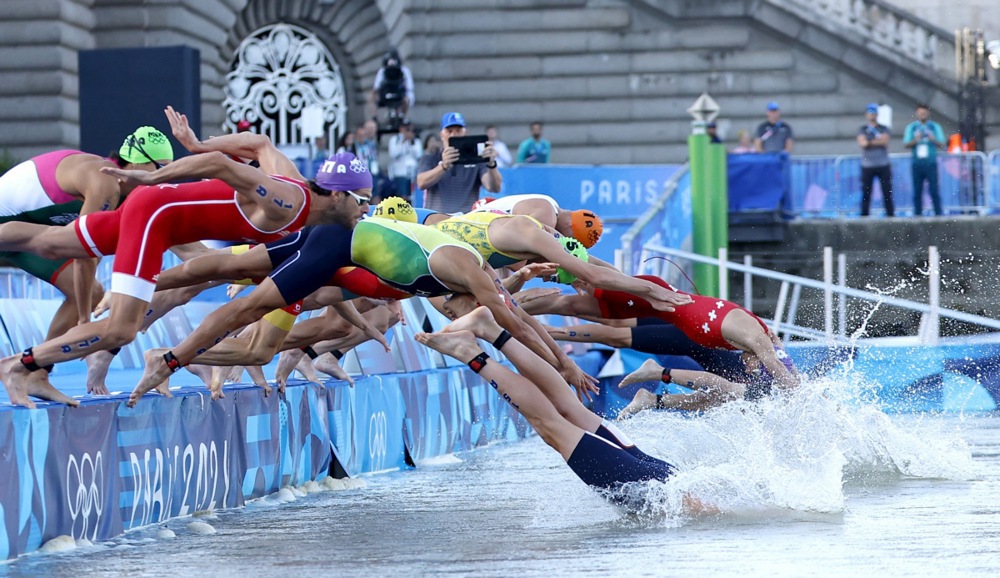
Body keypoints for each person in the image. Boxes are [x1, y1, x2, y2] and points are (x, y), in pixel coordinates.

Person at [0, 106, 360, 408]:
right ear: (338, 196)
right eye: (362, 200)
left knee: (51, 243)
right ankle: (19, 365)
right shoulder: (288, 201)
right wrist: (153, 179)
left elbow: (259, 143)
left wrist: (196, 143)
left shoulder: (293, 182)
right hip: (155, 218)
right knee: (120, 329)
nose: (366, 209)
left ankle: (26, 366)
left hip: (160, 217)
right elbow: (220, 164)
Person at [417, 306, 679, 499]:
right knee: (550, 426)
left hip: (665, 478)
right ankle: (470, 352)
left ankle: (492, 331)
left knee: (567, 410)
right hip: (653, 488)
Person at [0, 127, 172, 343]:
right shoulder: (105, 182)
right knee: (86, 283)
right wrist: (83, 320)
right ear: (137, 163)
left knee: (92, 294)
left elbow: (183, 244)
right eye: (161, 168)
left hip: (27, 229)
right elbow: (84, 250)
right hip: (9, 224)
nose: (165, 177)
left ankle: (34, 369)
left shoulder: (131, 193)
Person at [517, 274, 800, 388]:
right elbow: (774, 362)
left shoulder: (760, 338)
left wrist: (805, 387)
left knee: (589, 305)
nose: (751, 368)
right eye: (755, 367)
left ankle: (513, 302)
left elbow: (779, 357)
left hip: (664, 306)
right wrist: (801, 397)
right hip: (659, 301)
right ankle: (516, 296)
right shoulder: (756, 340)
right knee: (578, 304)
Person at [416, 112, 501, 213]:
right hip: (436, 220)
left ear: (465, 133)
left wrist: (491, 164)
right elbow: (421, 183)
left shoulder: (477, 160)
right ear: (442, 135)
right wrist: (443, 166)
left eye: (458, 130)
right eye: (449, 131)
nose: (454, 135)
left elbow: (494, 187)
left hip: (465, 221)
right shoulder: (431, 158)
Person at [472, 194, 603, 248]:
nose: (564, 244)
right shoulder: (548, 216)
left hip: (476, 231)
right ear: (570, 227)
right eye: (571, 242)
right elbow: (515, 262)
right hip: (469, 234)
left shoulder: (550, 205)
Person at [903, 103, 946, 216]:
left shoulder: (934, 127)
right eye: (920, 112)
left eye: (924, 112)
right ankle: (918, 215)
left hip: (930, 163)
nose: (922, 114)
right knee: (917, 191)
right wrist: (915, 140)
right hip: (917, 163)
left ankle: (938, 214)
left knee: (934, 190)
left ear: (928, 113)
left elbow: (942, 143)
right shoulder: (911, 127)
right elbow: (906, 144)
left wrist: (933, 139)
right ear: (917, 113)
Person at [857, 103, 894, 217]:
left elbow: (885, 142)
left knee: (887, 192)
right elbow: (863, 143)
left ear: (877, 114)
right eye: (870, 113)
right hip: (867, 165)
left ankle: (890, 215)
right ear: (866, 114)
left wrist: (870, 142)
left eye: (874, 113)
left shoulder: (883, 128)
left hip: (883, 164)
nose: (872, 115)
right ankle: (864, 216)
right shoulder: (863, 129)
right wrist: (876, 141)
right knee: (866, 193)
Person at [369, 48, 414, 118]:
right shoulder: (382, 71)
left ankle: (402, 117)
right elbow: (376, 87)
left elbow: (410, 88)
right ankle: (374, 118)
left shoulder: (405, 71)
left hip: (400, 96)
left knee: (406, 100)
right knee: (371, 96)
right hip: (385, 96)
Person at [387, 119, 422, 201]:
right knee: (402, 197)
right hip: (400, 173)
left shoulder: (416, 141)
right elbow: (393, 154)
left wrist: (410, 142)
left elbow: (419, 155)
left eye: (409, 129)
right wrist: (403, 142)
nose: (408, 132)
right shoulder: (394, 140)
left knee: (412, 197)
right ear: (401, 129)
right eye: (406, 129)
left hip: (413, 173)